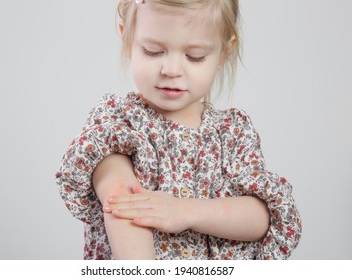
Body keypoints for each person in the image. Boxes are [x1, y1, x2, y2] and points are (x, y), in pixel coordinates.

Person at [55, 0, 302, 260]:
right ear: (127, 37)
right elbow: (121, 205)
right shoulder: (118, 124)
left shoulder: (233, 132)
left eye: (194, 56)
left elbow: (261, 218)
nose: (171, 70)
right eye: (153, 51)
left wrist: (185, 211)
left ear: (224, 53)